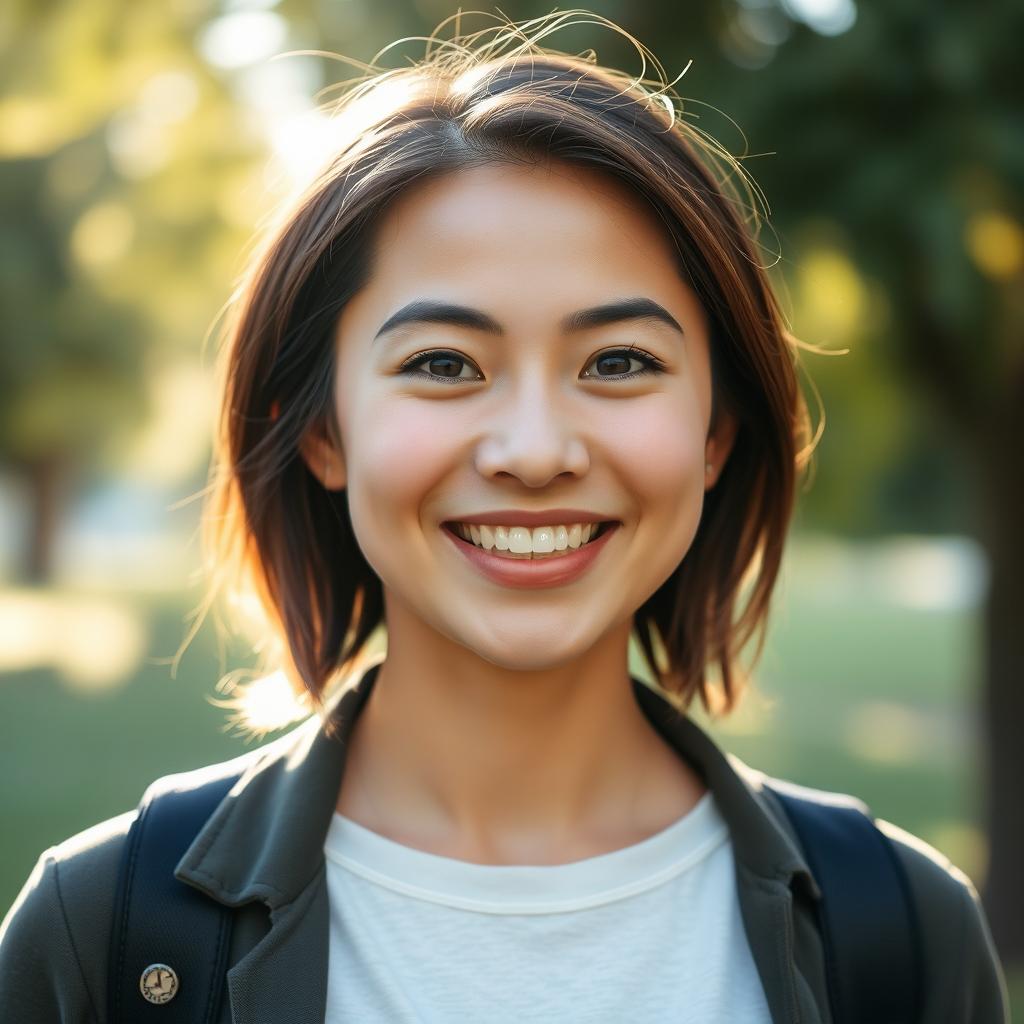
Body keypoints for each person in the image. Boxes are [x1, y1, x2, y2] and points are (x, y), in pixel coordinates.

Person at [0, 10, 1009, 1023]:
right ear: (320, 431)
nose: (532, 450)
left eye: (619, 363)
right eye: (443, 364)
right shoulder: (106, 934)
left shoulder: (903, 934)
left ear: (716, 432)